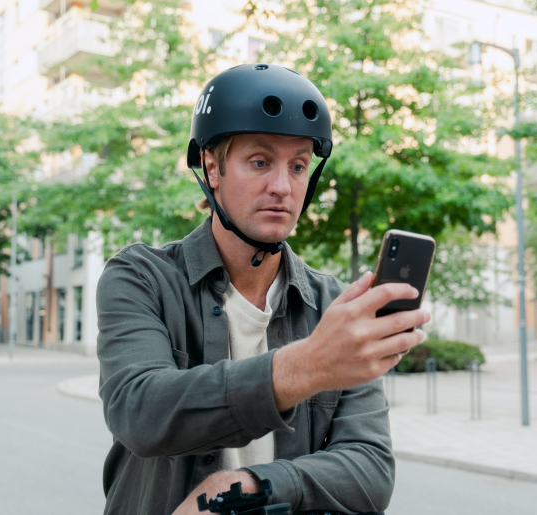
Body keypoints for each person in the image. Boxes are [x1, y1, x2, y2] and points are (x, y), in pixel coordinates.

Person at [96, 64, 431, 515]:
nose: (282, 187)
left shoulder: (333, 305)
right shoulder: (141, 277)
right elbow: (139, 411)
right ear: (211, 167)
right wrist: (309, 365)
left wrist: (249, 486)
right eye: (259, 162)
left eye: (297, 166)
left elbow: (370, 470)